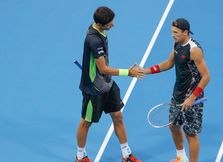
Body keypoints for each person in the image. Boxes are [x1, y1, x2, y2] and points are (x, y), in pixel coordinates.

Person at [76, 6, 144, 162]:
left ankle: (126, 154)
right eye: (110, 22)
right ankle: (80, 156)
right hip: (94, 89)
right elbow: (103, 68)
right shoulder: (93, 40)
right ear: (100, 24)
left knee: (118, 116)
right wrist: (129, 72)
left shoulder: (99, 30)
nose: (113, 24)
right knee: (86, 122)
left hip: (107, 83)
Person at [144, 18, 210, 162]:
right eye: (172, 32)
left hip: (193, 97)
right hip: (178, 94)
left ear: (185, 32)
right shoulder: (177, 44)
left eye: (176, 32)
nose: (172, 35)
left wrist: (192, 98)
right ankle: (181, 157)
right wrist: (145, 70)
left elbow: (206, 77)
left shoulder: (194, 50)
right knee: (173, 126)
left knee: (191, 134)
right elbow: (168, 64)